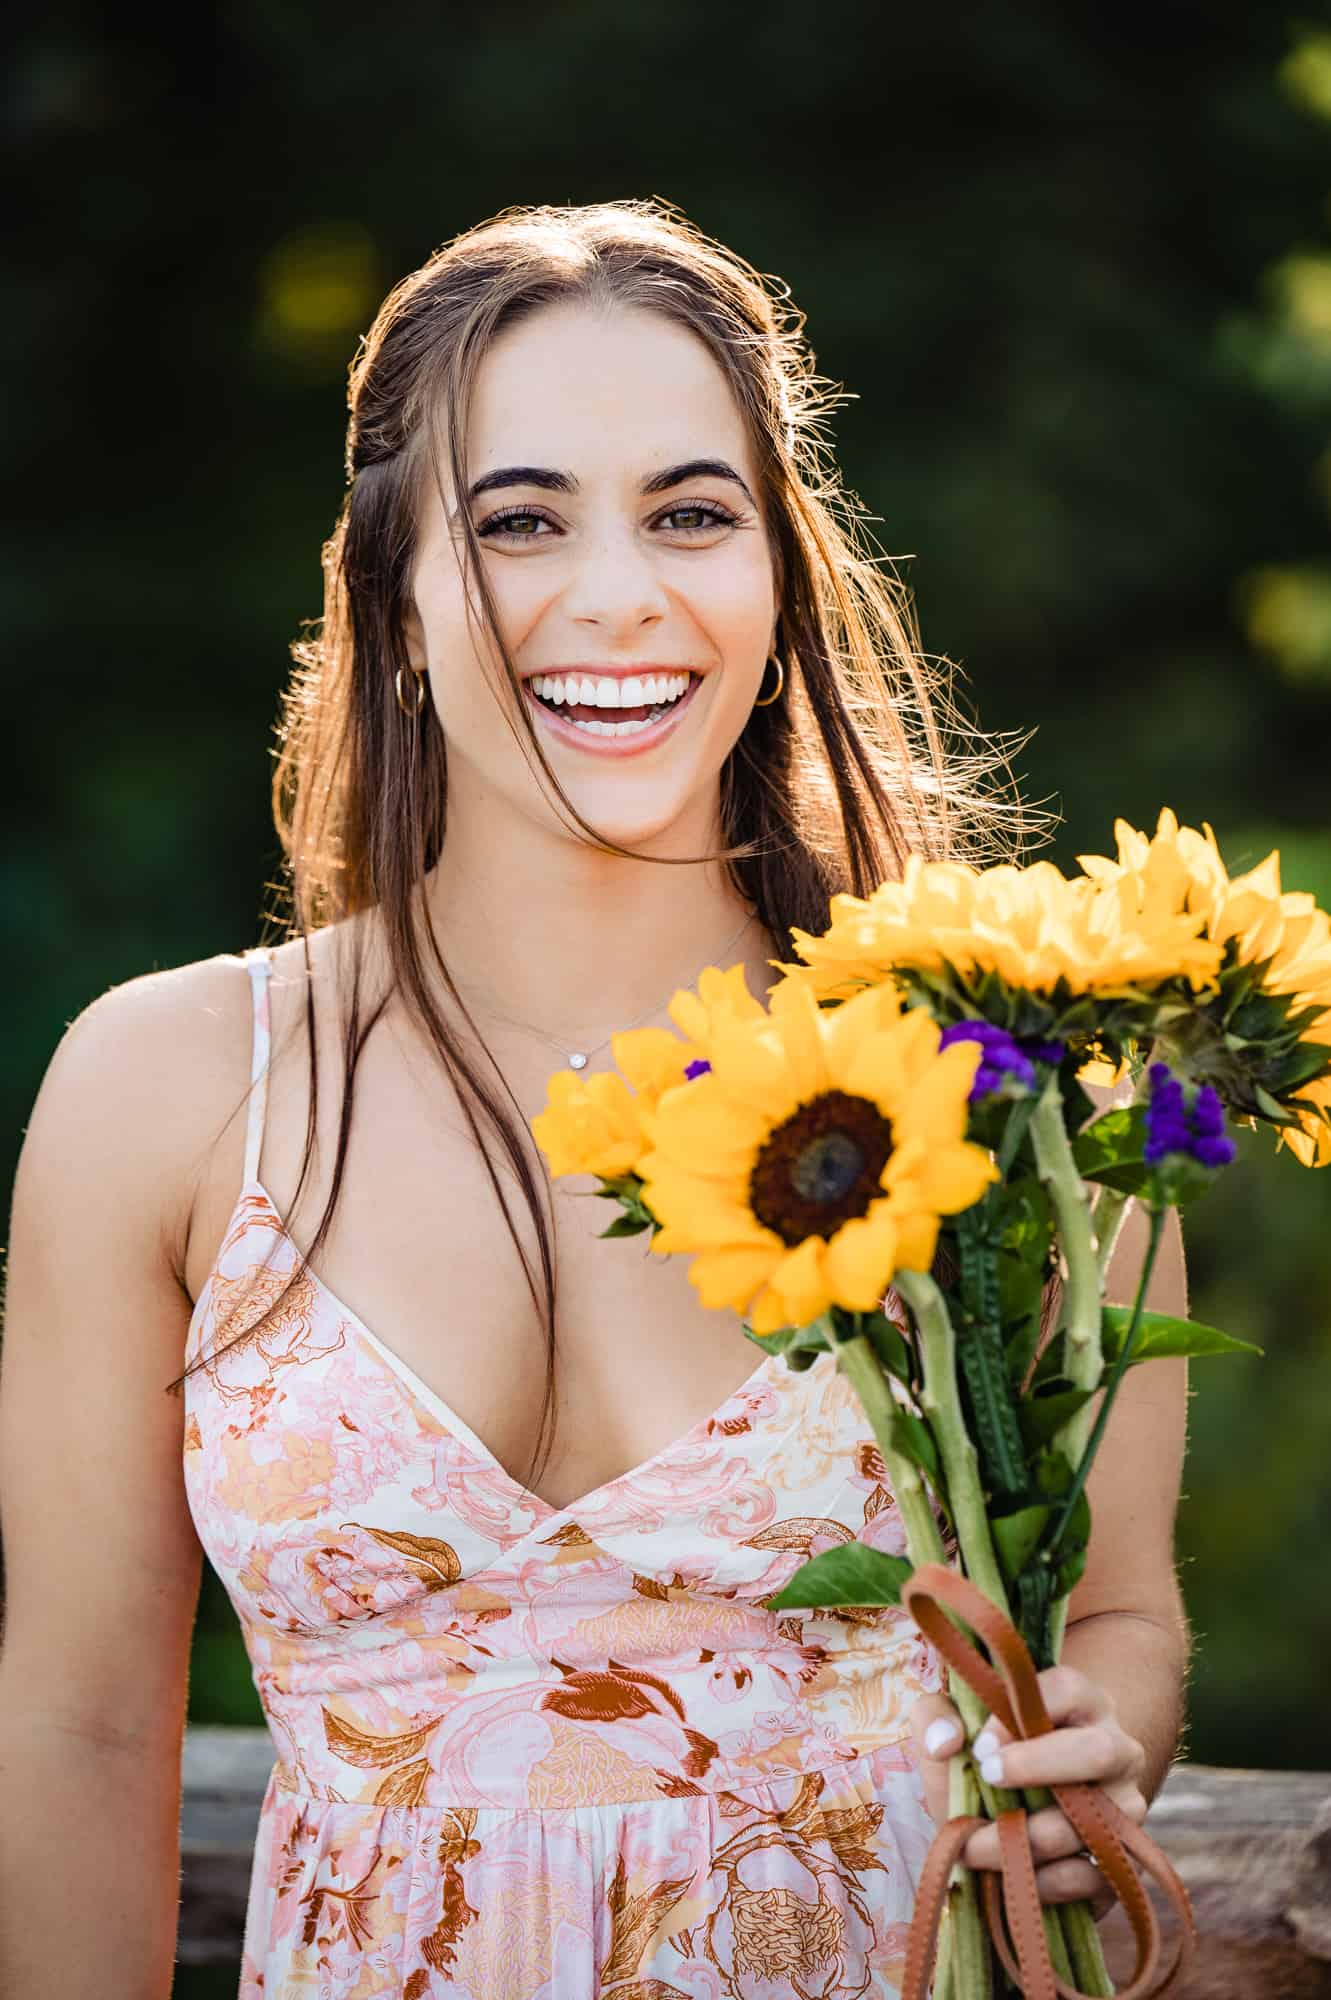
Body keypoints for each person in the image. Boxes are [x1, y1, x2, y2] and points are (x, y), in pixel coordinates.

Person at [0, 199, 1189, 1997]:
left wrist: (1107, 1744)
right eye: (520, 521)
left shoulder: (1008, 1097)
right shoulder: (168, 1091)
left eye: (691, 514)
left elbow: (1116, 1614)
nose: (616, 592)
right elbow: (86, 1726)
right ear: (389, 593)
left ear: (777, 583)